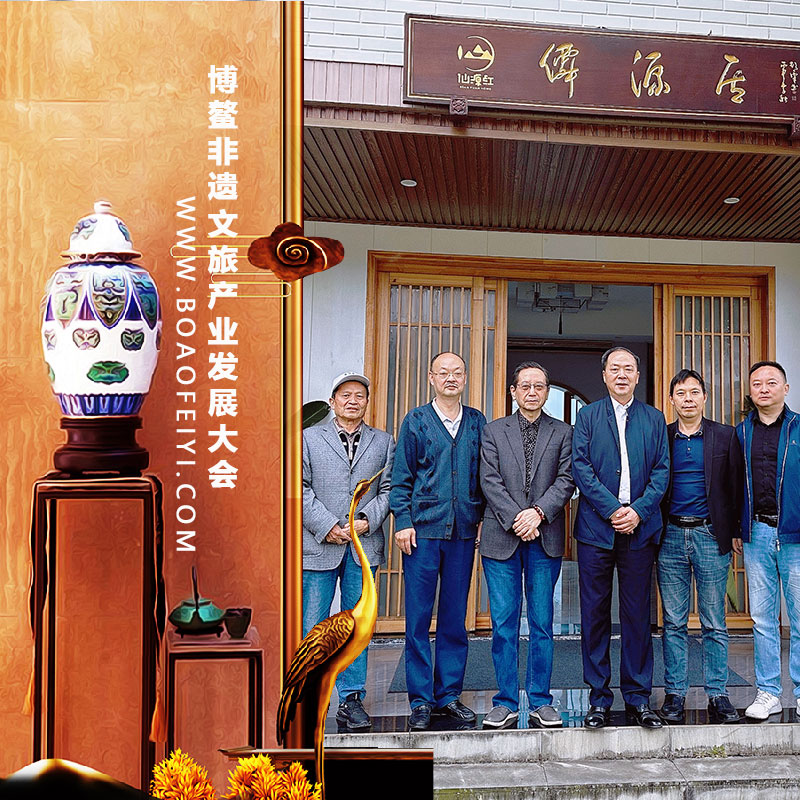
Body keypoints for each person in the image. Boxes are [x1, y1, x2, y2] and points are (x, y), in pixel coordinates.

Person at [572, 346, 670, 729]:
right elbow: (581, 467)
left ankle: (638, 698)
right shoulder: (588, 416)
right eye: (615, 368)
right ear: (605, 375)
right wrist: (613, 509)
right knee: (594, 615)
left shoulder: (654, 418)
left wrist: (638, 511)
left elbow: (662, 471)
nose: (622, 375)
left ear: (637, 376)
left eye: (628, 368)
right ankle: (598, 698)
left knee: (637, 616)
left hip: (640, 529)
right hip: (597, 530)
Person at [390, 351, 487, 731]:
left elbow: (484, 476)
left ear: (465, 378)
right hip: (422, 533)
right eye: (443, 372)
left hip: (463, 533)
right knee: (417, 619)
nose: (451, 378)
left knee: (454, 618)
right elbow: (401, 478)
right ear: (431, 378)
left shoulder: (476, 421)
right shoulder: (416, 420)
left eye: (457, 372)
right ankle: (420, 699)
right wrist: (403, 521)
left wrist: (481, 519)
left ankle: (448, 695)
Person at [479, 361, 574, 730]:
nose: (532, 392)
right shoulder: (493, 431)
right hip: (501, 536)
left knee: (542, 623)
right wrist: (518, 518)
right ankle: (504, 701)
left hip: (544, 536)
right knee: (503, 623)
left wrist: (537, 513)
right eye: (525, 386)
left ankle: (540, 701)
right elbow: (489, 480)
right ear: (513, 391)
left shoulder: (563, 432)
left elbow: (566, 479)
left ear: (546, 392)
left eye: (539, 386)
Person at [302, 371, 395, 731]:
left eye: (359, 395)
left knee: (358, 624)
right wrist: (328, 525)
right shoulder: (309, 438)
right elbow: (299, 487)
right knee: (315, 623)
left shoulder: (383, 441)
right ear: (332, 402)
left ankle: (351, 698)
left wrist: (365, 521)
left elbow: (390, 489)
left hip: (364, 546)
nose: (353, 401)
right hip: (319, 544)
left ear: (367, 402)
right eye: (345, 395)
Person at [657, 369, 743, 725]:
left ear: (704, 397)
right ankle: (675, 693)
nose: (688, 398)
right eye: (681, 393)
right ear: (671, 400)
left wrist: (735, 531)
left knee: (714, 621)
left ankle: (718, 694)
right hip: (670, 536)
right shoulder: (662, 436)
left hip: (710, 534)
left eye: (694, 392)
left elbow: (737, 485)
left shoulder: (725, 436)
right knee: (673, 621)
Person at [737, 361, 800, 720]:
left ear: (785, 389)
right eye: (757, 383)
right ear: (750, 391)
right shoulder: (741, 432)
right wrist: (737, 528)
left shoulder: (798, 428)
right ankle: (768, 692)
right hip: (757, 533)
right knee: (762, 618)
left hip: (795, 534)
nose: (763, 388)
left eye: (771, 382)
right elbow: (732, 483)